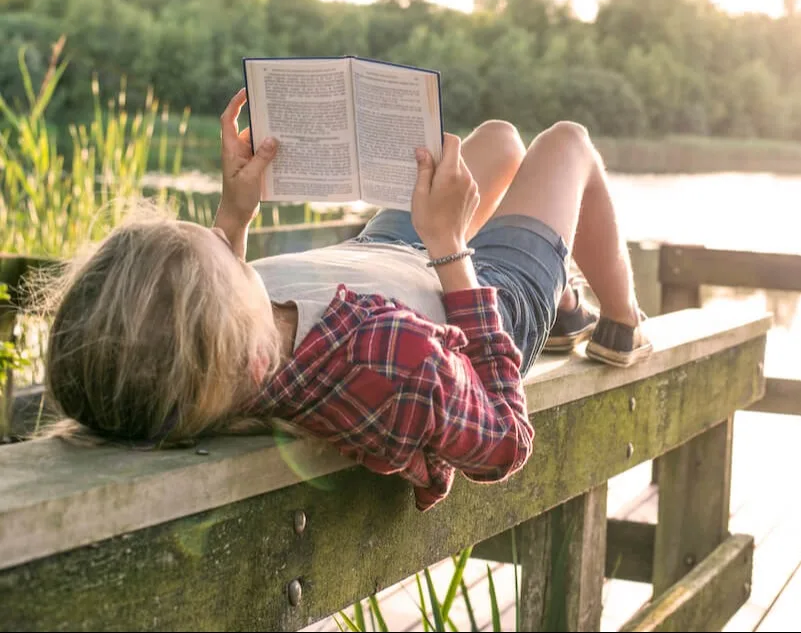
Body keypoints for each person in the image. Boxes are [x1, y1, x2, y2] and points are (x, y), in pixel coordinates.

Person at [44, 89, 651, 511]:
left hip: (381, 254)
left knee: (493, 141)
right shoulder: (386, 359)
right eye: (221, 254)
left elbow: (215, 319)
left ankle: (565, 295)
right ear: (248, 346)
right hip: (472, 288)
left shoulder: (225, 354)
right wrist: (446, 243)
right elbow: (504, 440)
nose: (216, 239)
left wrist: (236, 212)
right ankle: (619, 321)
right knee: (567, 143)